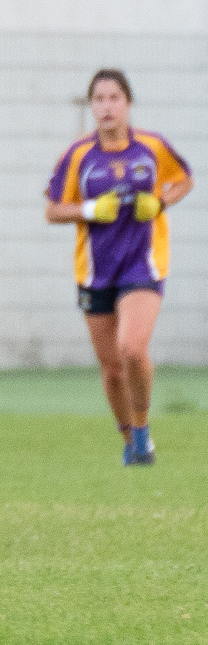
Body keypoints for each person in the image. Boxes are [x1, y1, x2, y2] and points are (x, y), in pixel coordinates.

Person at [45, 68, 194, 466]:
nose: (107, 106)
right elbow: (53, 209)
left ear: (128, 103)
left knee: (131, 348)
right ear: (91, 105)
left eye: (114, 98)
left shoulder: (151, 147)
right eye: (99, 99)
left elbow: (184, 179)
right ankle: (131, 441)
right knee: (112, 369)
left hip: (142, 266)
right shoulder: (78, 155)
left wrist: (161, 202)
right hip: (96, 271)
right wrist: (90, 209)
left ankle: (143, 429)